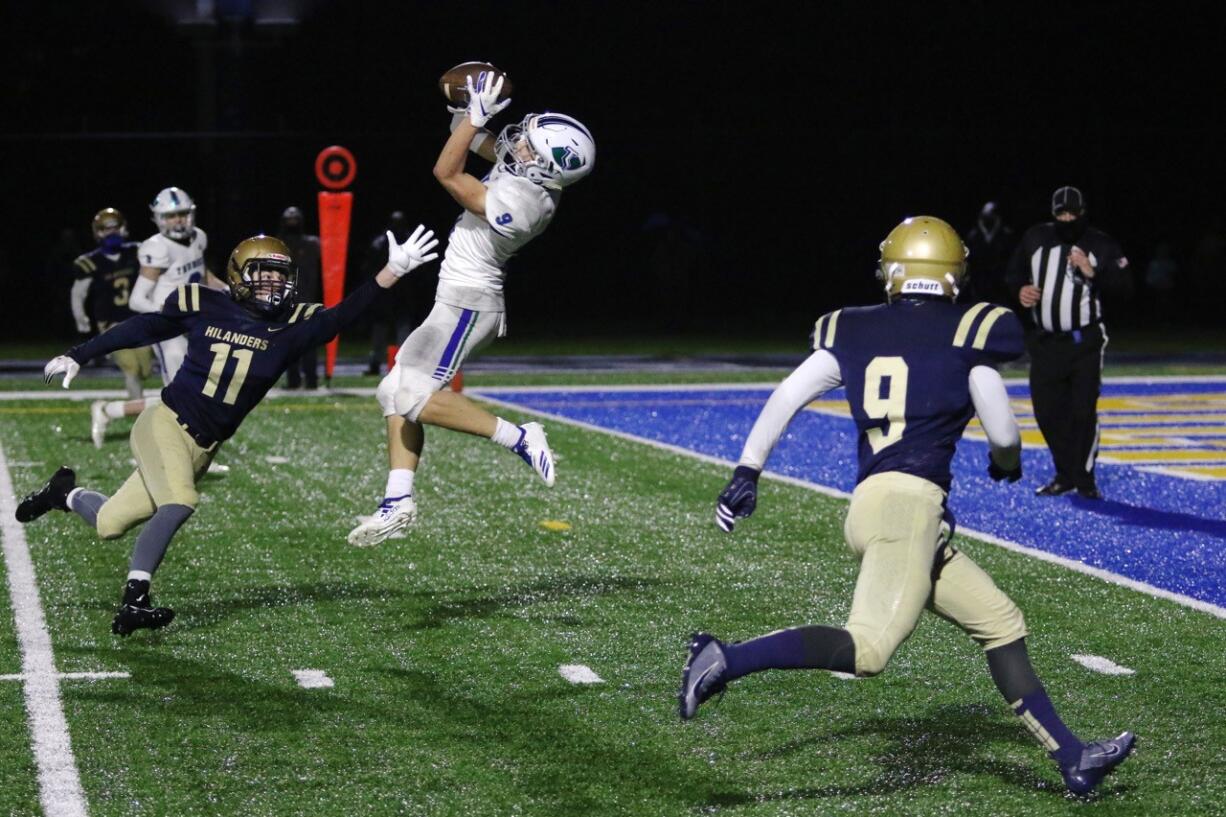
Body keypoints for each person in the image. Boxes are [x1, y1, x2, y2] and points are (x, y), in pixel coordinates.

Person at [681, 216, 1135, 797]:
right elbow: (999, 421)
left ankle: (1074, 758)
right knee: (868, 649)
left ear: (895, 270)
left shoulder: (853, 328)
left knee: (999, 622)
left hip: (878, 504)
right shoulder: (972, 329)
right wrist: (1007, 462)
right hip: (909, 511)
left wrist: (748, 470)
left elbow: (788, 395)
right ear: (951, 273)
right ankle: (725, 657)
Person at [14, 227, 439, 636]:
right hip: (164, 422)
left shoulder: (292, 327)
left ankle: (61, 493)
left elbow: (348, 310)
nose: (273, 284)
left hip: (204, 447)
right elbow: (145, 327)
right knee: (179, 501)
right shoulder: (205, 303)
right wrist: (79, 354)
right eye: (263, 273)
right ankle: (135, 600)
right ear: (238, 276)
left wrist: (393, 271)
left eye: (280, 275)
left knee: (109, 523)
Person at [347, 70, 596, 546]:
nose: (518, 144)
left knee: (413, 397)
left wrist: (473, 119)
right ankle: (397, 500)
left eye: (529, 148)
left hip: (469, 305)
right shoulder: (528, 168)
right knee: (392, 391)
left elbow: (446, 172)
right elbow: (473, 140)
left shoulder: (527, 201)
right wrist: (467, 107)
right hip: (456, 298)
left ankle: (520, 437)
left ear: (548, 169)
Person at [1005, 186, 1131, 499]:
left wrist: (1093, 271)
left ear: (1083, 213)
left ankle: (1084, 479)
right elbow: (1012, 274)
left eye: (1072, 213)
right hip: (1046, 342)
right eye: (1061, 214)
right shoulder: (1035, 238)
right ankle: (1065, 472)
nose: (1067, 219)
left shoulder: (1099, 243)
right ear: (1052, 214)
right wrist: (1021, 291)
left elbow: (1125, 287)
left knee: (1082, 411)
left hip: (1085, 341)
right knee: (1046, 412)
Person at [90, 187, 222, 444]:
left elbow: (203, 275)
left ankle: (110, 410)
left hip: (194, 326)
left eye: (182, 214)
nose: (178, 220)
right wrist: (173, 314)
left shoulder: (198, 238)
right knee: (183, 399)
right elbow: (138, 299)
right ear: (159, 218)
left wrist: (228, 291)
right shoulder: (157, 248)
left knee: (197, 395)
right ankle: (188, 450)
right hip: (171, 331)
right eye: (171, 216)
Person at [69, 208, 156, 447]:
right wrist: (81, 319)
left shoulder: (136, 252)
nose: (112, 232)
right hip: (113, 325)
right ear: (98, 233)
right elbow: (78, 294)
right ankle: (142, 424)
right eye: (106, 228)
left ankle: (116, 407)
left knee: (145, 371)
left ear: (123, 228)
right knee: (131, 370)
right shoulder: (91, 262)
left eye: (114, 227)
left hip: (140, 320)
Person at [362, 211, 427, 376]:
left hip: (401, 293)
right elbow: (370, 267)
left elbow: (420, 269)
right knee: (381, 330)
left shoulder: (409, 241)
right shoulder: (381, 242)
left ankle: (401, 364)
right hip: (386, 292)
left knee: (401, 330)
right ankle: (377, 362)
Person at [276, 206, 323, 389]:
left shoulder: (311, 243)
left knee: (307, 343)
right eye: (290, 220)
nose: (292, 223)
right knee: (292, 343)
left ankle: (310, 380)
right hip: (288, 300)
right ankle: (295, 380)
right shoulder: (279, 245)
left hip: (307, 299)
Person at [962, 201, 1016, 306]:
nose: (988, 217)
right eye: (986, 214)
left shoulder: (1006, 235)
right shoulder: (973, 236)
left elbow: (1010, 259)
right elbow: (970, 259)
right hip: (979, 283)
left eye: (991, 214)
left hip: (999, 284)